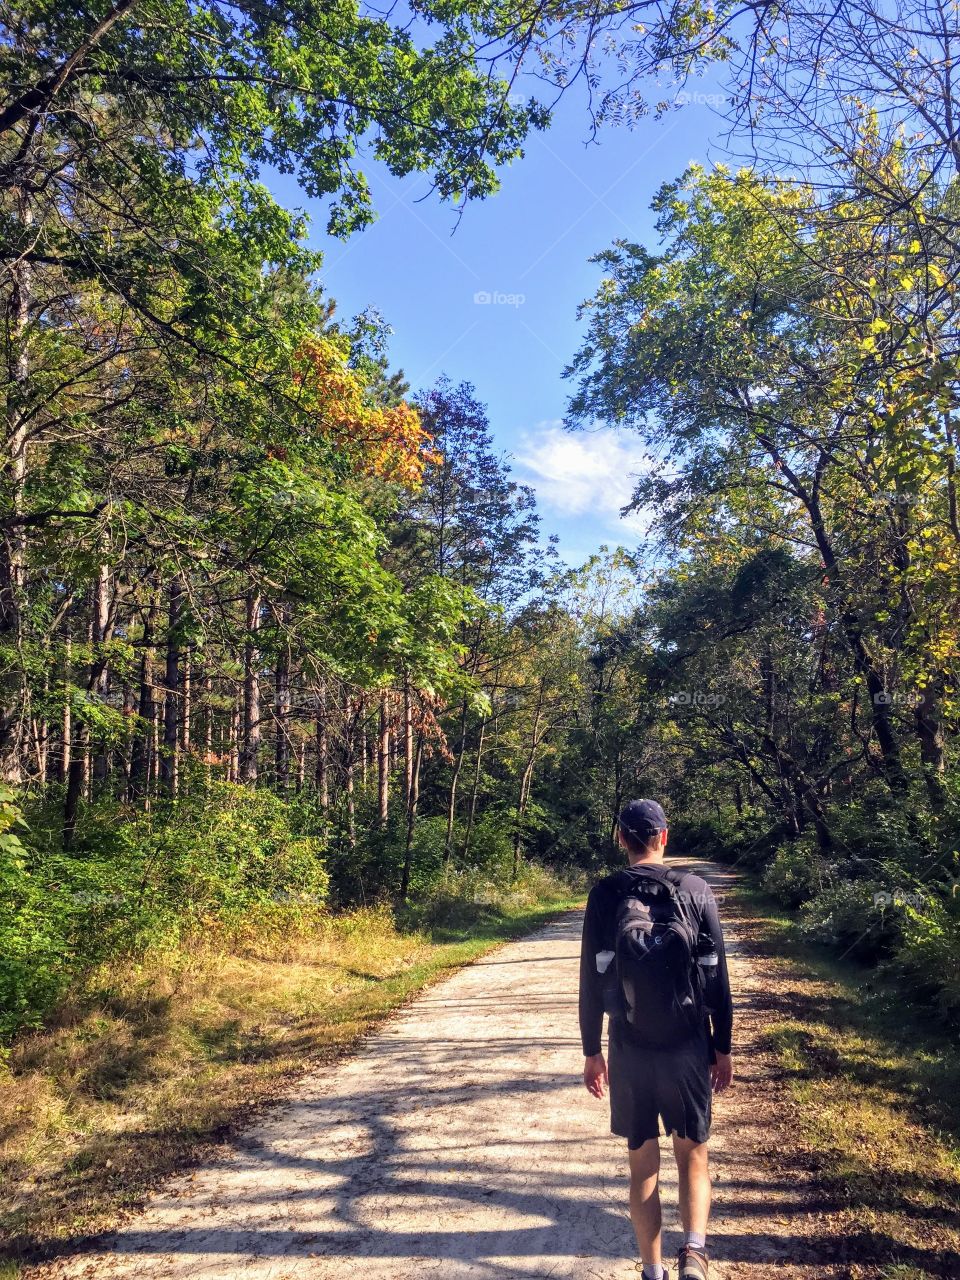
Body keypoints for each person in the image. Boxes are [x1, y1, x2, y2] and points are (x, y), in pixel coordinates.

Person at [578, 798, 734, 1280]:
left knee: (643, 1163)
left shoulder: (604, 893)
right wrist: (721, 1047)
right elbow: (716, 976)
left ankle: (652, 1270)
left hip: (630, 1044)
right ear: (664, 837)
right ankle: (694, 1253)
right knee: (693, 1153)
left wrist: (592, 1051)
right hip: (687, 1043)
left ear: (622, 839)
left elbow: (590, 977)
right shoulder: (696, 889)